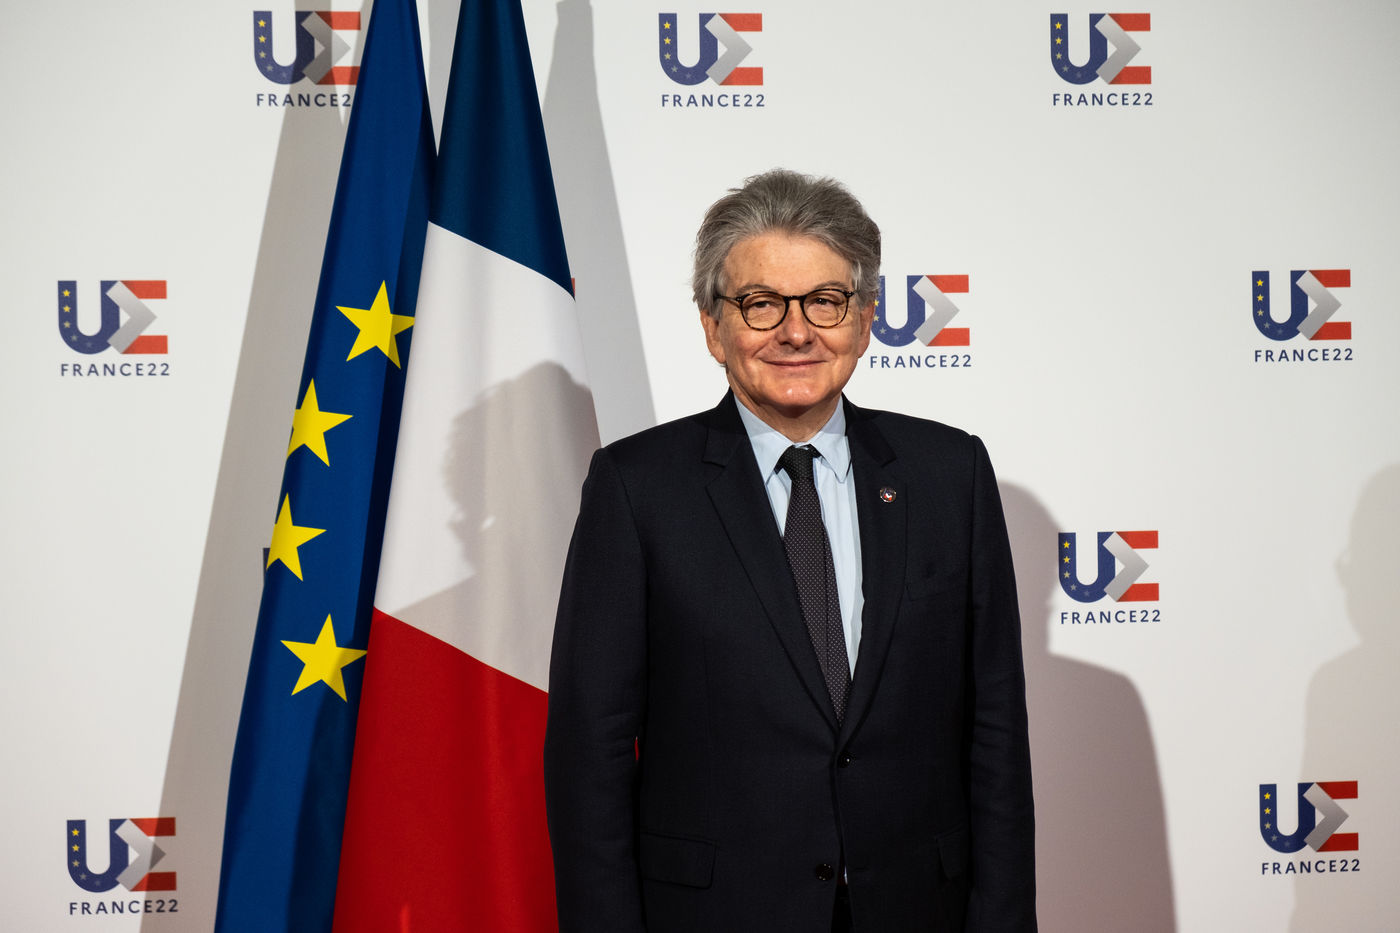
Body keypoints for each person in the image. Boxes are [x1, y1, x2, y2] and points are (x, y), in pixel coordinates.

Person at [544, 169, 1036, 932]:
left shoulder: (951, 474)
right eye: (762, 303)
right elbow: (591, 756)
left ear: (865, 320)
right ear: (713, 326)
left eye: (825, 301)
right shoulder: (637, 489)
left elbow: (995, 732)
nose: (797, 331)